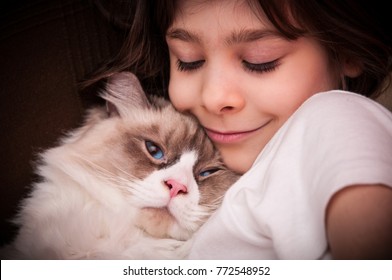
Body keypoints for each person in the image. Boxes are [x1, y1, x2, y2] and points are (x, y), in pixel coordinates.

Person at [89, 0, 392, 259]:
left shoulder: (336, 117)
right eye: (189, 61)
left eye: (259, 61)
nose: (213, 97)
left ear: (347, 52)